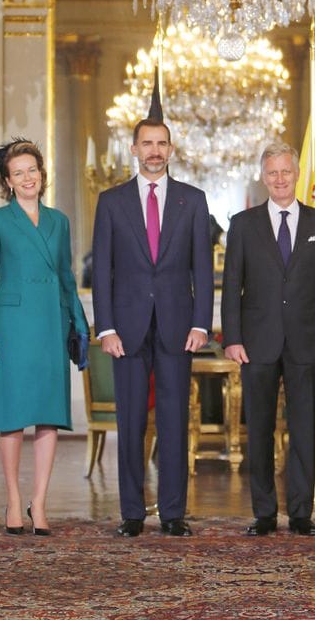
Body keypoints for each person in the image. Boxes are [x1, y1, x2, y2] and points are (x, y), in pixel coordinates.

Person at [91, 118, 214, 537]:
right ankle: (131, 513)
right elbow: (102, 269)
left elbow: (202, 267)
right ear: (134, 149)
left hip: (179, 328)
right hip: (125, 329)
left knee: (175, 420)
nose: (155, 151)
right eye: (147, 143)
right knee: (130, 423)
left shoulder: (193, 200)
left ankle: (174, 513)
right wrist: (105, 327)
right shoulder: (111, 202)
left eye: (162, 143)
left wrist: (202, 324)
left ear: (172, 150)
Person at [221, 141, 315, 537]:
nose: (279, 179)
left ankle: (302, 512)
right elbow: (232, 287)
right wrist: (233, 338)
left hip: (307, 342)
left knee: (303, 427)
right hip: (257, 342)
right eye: (271, 172)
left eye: (285, 172)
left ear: (296, 175)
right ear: (263, 176)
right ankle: (265, 512)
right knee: (258, 428)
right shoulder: (242, 224)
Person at [0, 137, 89, 537]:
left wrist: (78, 323)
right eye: (19, 172)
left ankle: (39, 502)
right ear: (8, 181)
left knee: (48, 415)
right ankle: (12, 498)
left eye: (33, 170)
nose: (28, 178)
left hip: (50, 323)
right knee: (11, 416)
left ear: (42, 174)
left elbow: (66, 277)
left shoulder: (59, 220)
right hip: (11, 327)